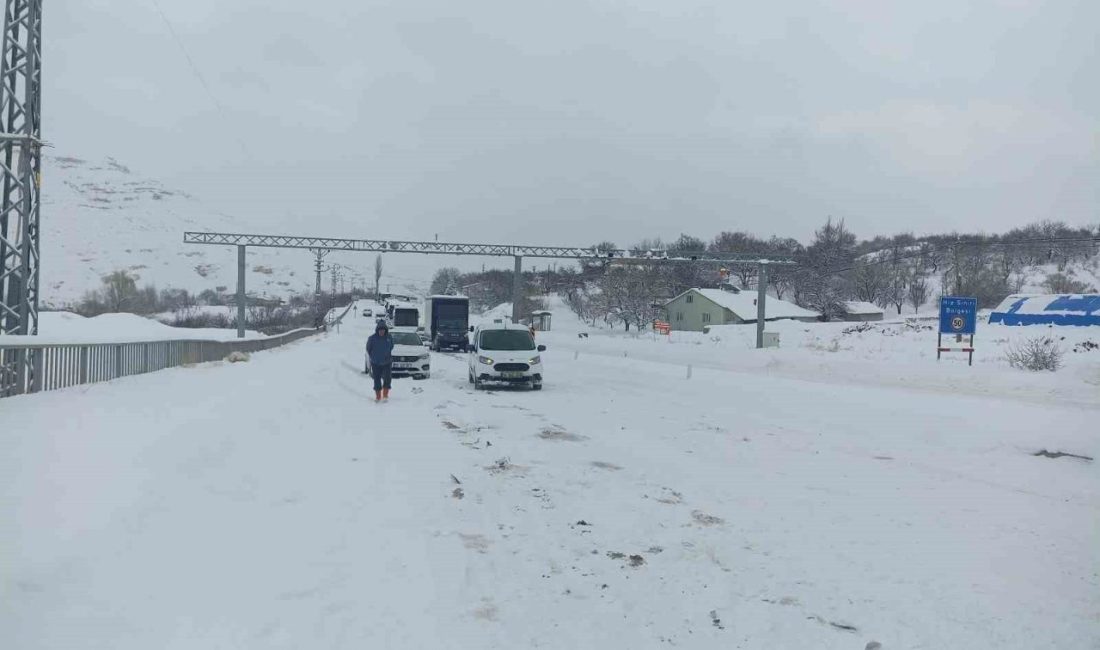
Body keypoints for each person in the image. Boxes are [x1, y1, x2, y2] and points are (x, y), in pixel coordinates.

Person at [366, 320, 394, 402]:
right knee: (377, 379)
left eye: (383, 330)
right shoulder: (372, 338)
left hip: (387, 362)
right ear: (377, 330)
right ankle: (378, 396)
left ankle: (385, 395)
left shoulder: (389, 338)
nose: (382, 331)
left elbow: (391, 347)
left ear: (385, 330)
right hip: (376, 363)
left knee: (387, 378)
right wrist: (373, 357)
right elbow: (368, 349)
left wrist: (386, 354)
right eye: (380, 330)